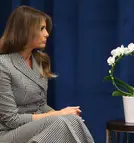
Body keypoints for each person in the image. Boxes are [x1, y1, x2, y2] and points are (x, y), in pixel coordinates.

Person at [0, 5, 94, 143]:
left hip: (34, 125)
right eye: (41, 29)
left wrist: (63, 114)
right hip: (8, 133)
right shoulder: (3, 64)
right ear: (25, 30)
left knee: (71, 120)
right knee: (60, 122)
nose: (47, 34)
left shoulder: (39, 60)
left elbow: (41, 105)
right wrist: (58, 114)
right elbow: (11, 120)